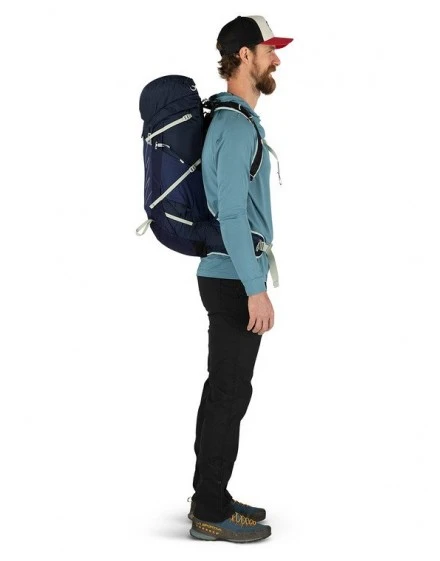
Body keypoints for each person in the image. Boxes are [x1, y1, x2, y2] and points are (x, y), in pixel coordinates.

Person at [188, 15, 293, 543]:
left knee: (224, 392)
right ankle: (210, 510)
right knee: (228, 395)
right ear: (245, 55)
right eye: (269, 49)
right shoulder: (232, 126)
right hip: (233, 278)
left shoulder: (235, 120)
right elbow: (230, 213)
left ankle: (211, 493)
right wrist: (256, 289)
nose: (277, 58)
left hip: (230, 272)